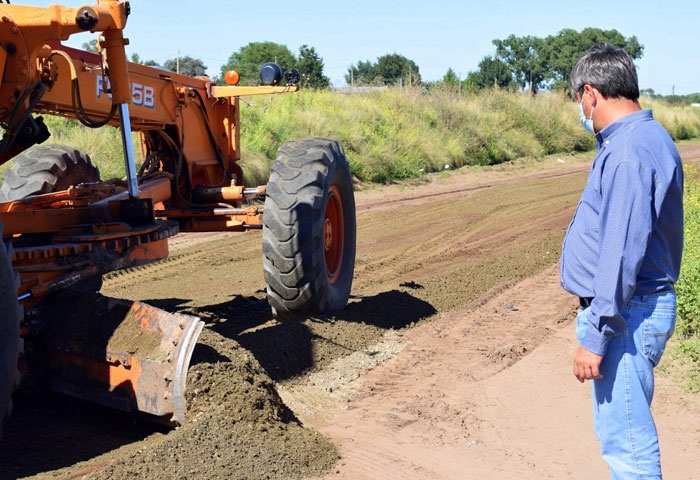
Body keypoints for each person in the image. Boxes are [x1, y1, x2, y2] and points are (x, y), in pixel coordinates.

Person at [560, 43, 684, 479]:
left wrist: (597, 334)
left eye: (580, 101)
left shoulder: (629, 151)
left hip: (627, 315)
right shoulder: (639, 139)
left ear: (590, 94)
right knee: (623, 440)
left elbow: (619, 253)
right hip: (631, 311)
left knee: (627, 447)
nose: (582, 111)